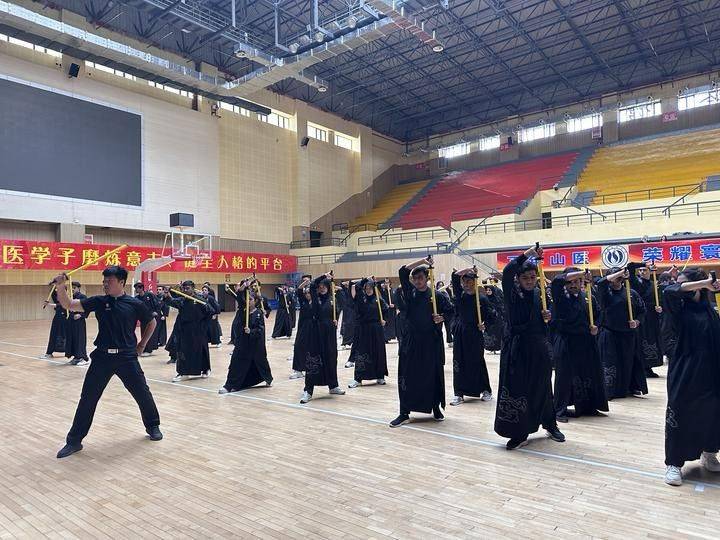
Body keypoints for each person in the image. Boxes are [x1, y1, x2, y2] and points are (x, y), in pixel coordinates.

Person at [51, 266, 162, 459]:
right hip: (102, 357)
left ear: (121, 282)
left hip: (127, 357)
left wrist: (142, 345)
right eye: (104, 281)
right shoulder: (99, 302)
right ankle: (74, 441)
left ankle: (153, 426)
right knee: (88, 398)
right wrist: (60, 286)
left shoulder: (134, 304)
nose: (105, 285)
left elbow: (151, 322)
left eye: (108, 281)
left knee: (142, 393)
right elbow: (69, 304)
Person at [494, 245, 565, 449]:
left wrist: (546, 317)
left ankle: (550, 424)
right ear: (518, 279)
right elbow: (507, 271)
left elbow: (544, 321)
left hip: (537, 346)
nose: (530, 281)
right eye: (526, 278)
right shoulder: (511, 293)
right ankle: (520, 431)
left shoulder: (538, 294)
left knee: (543, 386)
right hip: (517, 349)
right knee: (519, 388)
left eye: (533, 278)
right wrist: (528, 254)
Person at [663, 268, 720, 486]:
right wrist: (705, 283)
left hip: (711, 367)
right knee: (681, 410)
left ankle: (709, 452)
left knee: (713, 411)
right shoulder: (677, 307)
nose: (680, 285)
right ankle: (673, 463)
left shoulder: (709, 308)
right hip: (685, 368)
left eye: (684, 282)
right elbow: (670, 291)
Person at [389, 257, 453, 427]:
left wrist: (442, 317)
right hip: (412, 341)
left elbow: (451, 311)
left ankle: (435, 407)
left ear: (427, 278)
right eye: (415, 278)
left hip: (431, 342)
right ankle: (404, 412)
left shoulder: (437, 296)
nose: (417, 281)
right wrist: (422, 261)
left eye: (420, 278)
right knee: (408, 375)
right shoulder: (410, 294)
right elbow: (402, 271)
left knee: (432, 375)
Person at [550, 268, 608, 422]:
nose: (574, 284)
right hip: (566, 340)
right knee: (564, 376)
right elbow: (556, 281)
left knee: (588, 373)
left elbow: (598, 314)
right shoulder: (560, 296)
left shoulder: (588, 297)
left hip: (586, 341)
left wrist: (596, 326)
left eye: (577, 281)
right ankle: (559, 410)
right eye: (570, 282)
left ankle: (587, 406)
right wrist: (581, 273)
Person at [596, 267, 648, 400]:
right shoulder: (605, 293)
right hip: (609, 333)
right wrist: (619, 273)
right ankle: (610, 390)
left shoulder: (631, 293)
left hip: (628, 334)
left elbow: (643, 311)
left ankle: (627, 388)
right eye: (613, 276)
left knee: (627, 362)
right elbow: (601, 283)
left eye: (619, 275)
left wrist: (636, 321)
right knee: (610, 362)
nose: (617, 278)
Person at [449, 268, 495, 406]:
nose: (466, 284)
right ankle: (459, 393)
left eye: (469, 281)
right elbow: (454, 276)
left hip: (475, 333)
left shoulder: (481, 299)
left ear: (475, 282)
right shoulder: (460, 295)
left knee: (477, 361)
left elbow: (492, 317)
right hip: (460, 332)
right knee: (459, 362)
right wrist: (467, 270)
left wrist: (484, 325)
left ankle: (486, 390)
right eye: (464, 282)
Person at [300, 273, 346, 403]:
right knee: (313, 360)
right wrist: (323, 276)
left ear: (328, 286)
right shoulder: (315, 297)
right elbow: (313, 284)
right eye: (320, 286)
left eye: (324, 285)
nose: (321, 288)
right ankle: (308, 390)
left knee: (331, 358)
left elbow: (339, 308)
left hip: (330, 333)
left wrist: (335, 319)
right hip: (316, 332)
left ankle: (333, 385)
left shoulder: (333, 298)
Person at [220, 279, 273, 393]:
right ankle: (230, 385)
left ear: (256, 301)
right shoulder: (244, 310)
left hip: (255, 342)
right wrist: (243, 287)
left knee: (260, 360)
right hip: (243, 342)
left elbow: (260, 329)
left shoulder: (258, 313)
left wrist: (251, 331)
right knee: (236, 361)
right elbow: (239, 297)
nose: (248, 301)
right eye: (247, 299)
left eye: (250, 299)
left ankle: (267, 378)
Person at [164, 281, 214, 382]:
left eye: (188, 288)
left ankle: (205, 369)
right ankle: (183, 373)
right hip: (185, 330)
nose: (186, 290)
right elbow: (172, 301)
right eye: (184, 289)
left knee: (201, 350)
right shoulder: (183, 300)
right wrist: (167, 295)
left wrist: (204, 326)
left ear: (193, 288)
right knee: (183, 351)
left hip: (198, 330)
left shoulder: (200, 300)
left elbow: (211, 312)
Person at [347, 277, 389, 388]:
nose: (369, 290)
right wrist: (366, 279)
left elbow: (386, 311)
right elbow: (356, 286)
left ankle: (380, 376)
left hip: (376, 329)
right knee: (362, 352)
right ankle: (358, 379)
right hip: (363, 329)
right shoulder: (360, 298)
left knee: (378, 352)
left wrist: (385, 320)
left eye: (371, 288)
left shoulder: (379, 300)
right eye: (367, 288)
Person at [629, 263, 664, 378]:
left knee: (652, 339)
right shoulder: (636, 283)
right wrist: (644, 263)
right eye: (641, 270)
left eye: (645, 270)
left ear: (650, 272)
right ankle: (642, 368)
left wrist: (659, 308)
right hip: (641, 316)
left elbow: (660, 300)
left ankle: (649, 367)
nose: (642, 272)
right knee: (641, 340)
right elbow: (630, 266)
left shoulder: (655, 284)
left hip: (652, 317)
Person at [289, 278, 313, 379]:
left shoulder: (317, 302)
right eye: (306, 293)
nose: (307, 294)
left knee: (312, 349)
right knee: (299, 347)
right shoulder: (303, 302)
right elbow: (299, 290)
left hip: (314, 329)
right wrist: (306, 283)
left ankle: (310, 368)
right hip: (303, 328)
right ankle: (298, 370)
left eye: (309, 292)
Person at [65, 282, 90, 366]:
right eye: (71, 288)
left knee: (80, 339)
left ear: (78, 288)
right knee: (72, 339)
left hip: (79, 321)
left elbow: (87, 308)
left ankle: (83, 357)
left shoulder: (83, 297)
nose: (72, 289)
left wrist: (81, 315)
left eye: (74, 288)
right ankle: (76, 357)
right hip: (71, 320)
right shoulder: (71, 297)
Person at [133, 282, 160, 357]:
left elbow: (158, 303)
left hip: (151, 318)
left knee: (151, 334)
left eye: (137, 288)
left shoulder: (149, 295)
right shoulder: (137, 298)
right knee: (144, 333)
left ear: (141, 288)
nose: (135, 290)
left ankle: (149, 349)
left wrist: (156, 312)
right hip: (143, 318)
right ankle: (144, 348)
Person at [42, 289, 68, 358]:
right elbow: (53, 294)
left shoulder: (66, 298)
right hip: (57, 317)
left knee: (63, 335)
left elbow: (60, 305)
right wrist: (56, 284)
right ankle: (49, 353)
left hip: (64, 319)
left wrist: (49, 304)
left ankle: (68, 352)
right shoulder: (58, 298)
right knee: (53, 334)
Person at [482, 280, 505, 354]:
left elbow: (501, 307)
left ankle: (497, 348)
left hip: (497, 320)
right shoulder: (485, 299)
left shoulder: (497, 299)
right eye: (487, 290)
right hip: (488, 320)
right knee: (489, 334)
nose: (488, 291)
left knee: (497, 334)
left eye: (489, 290)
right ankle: (491, 348)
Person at [436, 280, 454, 348]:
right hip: (439, 312)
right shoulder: (437, 293)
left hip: (446, 313)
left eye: (442, 285)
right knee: (439, 328)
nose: (441, 286)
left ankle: (450, 341)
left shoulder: (446, 293)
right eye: (439, 285)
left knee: (448, 328)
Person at [339, 280, 357, 351]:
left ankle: (354, 342)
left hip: (354, 311)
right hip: (348, 311)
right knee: (348, 326)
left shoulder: (356, 292)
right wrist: (347, 282)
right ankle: (345, 343)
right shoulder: (345, 291)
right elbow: (342, 285)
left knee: (354, 327)